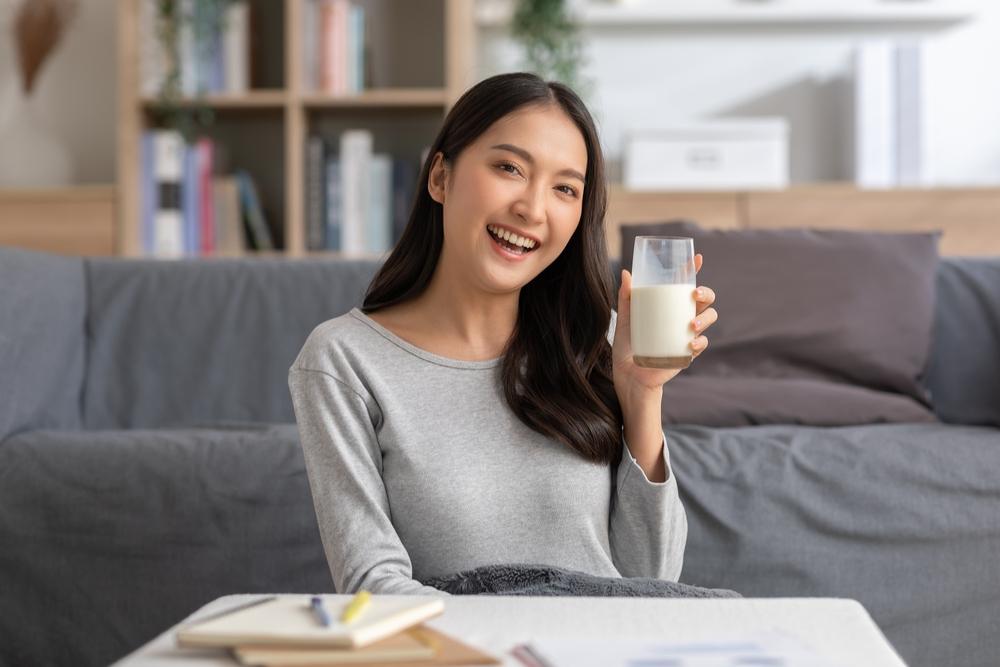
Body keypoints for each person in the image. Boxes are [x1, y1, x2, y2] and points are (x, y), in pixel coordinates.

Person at [288, 72, 718, 595]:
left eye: (564, 188)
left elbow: (652, 582)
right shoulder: (343, 361)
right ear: (440, 178)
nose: (532, 209)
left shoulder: (594, 341)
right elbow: (373, 586)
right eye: (509, 168)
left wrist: (641, 395)